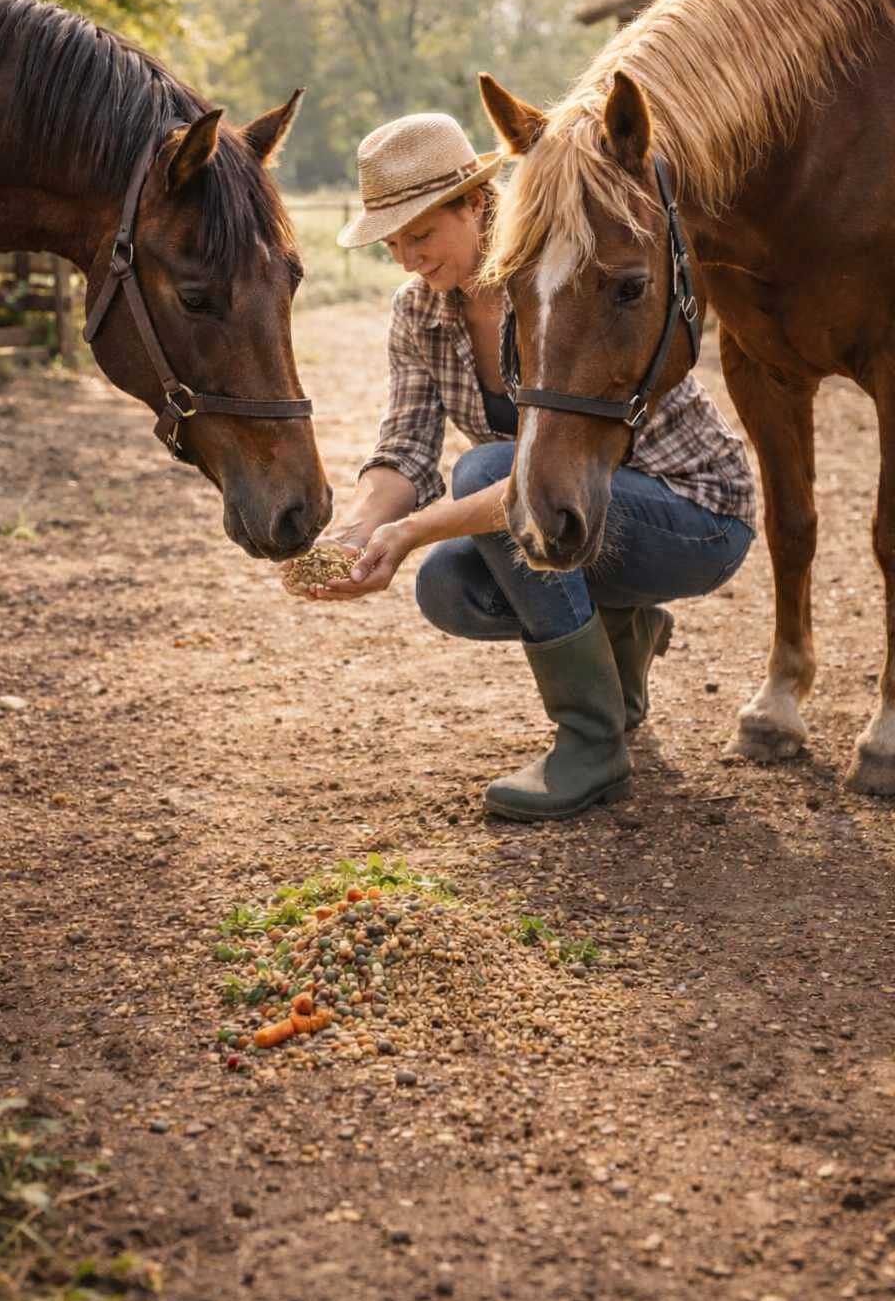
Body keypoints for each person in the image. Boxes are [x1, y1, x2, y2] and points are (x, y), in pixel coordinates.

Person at [282, 111, 756, 823]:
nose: (407, 257)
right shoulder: (418, 312)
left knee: (482, 474)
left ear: (475, 204)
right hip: (588, 517)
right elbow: (405, 448)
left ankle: (592, 743)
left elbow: (525, 478)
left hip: (694, 514)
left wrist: (410, 532)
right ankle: (620, 641)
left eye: (420, 234)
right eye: (392, 243)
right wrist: (358, 531)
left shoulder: (559, 281)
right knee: (449, 588)